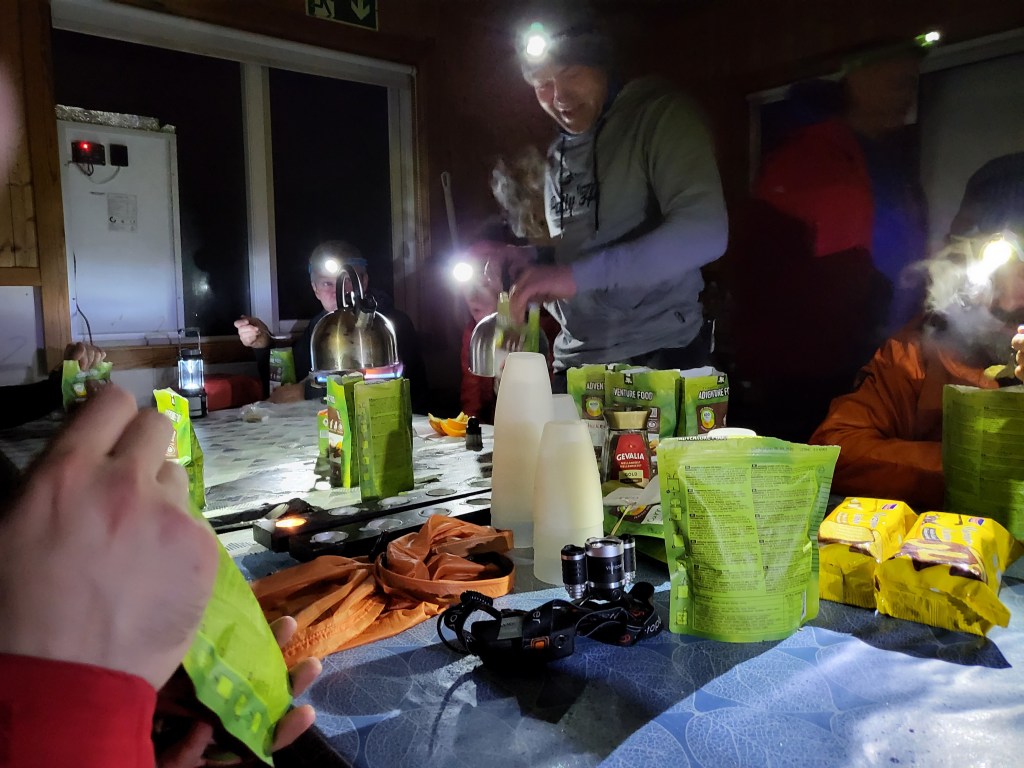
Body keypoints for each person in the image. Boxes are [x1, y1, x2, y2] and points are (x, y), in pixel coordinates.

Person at [469, 16, 728, 391]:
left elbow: (706, 233)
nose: (558, 97)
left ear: (602, 65)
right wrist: (533, 261)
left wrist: (573, 276)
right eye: (543, 85)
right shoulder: (560, 154)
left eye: (571, 73)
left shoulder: (660, 117)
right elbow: (584, 252)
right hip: (575, 365)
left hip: (658, 361)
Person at [731, 38, 931, 441]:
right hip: (816, 370)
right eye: (896, 83)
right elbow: (811, 274)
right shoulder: (814, 155)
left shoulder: (889, 159)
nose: (906, 98)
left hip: (876, 359)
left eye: (911, 84)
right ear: (856, 79)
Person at [808, 232, 1024, 511]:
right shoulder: (918, 352)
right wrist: (965, 464)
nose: (1007, 302)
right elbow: (835, 450)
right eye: (996, 282)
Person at [235, 241, 429, 412]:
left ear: (364, 281)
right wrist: (263, 343)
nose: (340, 291)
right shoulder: (323, 325)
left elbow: (386, 381)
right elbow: (293, 376)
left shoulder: (386, 324)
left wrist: (306, 392)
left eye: (348, 281)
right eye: (328, 284)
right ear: (315, 289)